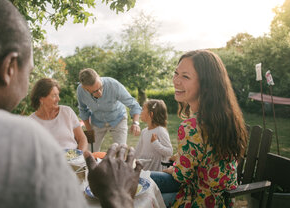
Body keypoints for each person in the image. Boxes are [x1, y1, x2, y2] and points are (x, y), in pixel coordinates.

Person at [0, 0, 141, 208]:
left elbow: (128, 105)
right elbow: (84, 114)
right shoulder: (24, 143)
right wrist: (117, 195)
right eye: (29, 70)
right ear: (9, 68)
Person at [151, 50, 248, 208]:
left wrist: (172, 170)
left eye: (185, 76)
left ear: (206, 84)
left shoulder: (191, 126)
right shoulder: (227, 118)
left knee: (140, 184)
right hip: (223, 201)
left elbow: (182, 175)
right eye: (176, 73)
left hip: (198, 200)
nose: (176, 81)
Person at [77, 68, 142, 152]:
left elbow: (133, 104)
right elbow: (83, 110)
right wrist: (89, 130)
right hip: (97, 121)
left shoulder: (113, 85)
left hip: (118, 119)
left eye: (100, 87)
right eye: (95, 91)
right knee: (90, 152)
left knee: (120, 152)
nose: (100, 93)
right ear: (85, 88)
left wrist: (135, 123)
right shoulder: (80, 90)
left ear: (99, 78)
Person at [30, 78, 88, 151]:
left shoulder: (67, 112)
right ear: (41, 99)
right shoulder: (31, 122)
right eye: (54, 96)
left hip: (73, 159)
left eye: (58, 94)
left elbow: (82, 138)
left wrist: (80, 155)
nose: (58, 99)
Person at [135, 99, 173, 171]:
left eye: (143, 110)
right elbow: (138, 150)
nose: (141, 112)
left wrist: (155, 143)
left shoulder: (160, 131)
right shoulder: (144, 131)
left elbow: (169, 152)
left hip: (156, 171)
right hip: (144, 169)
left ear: (151, 114)